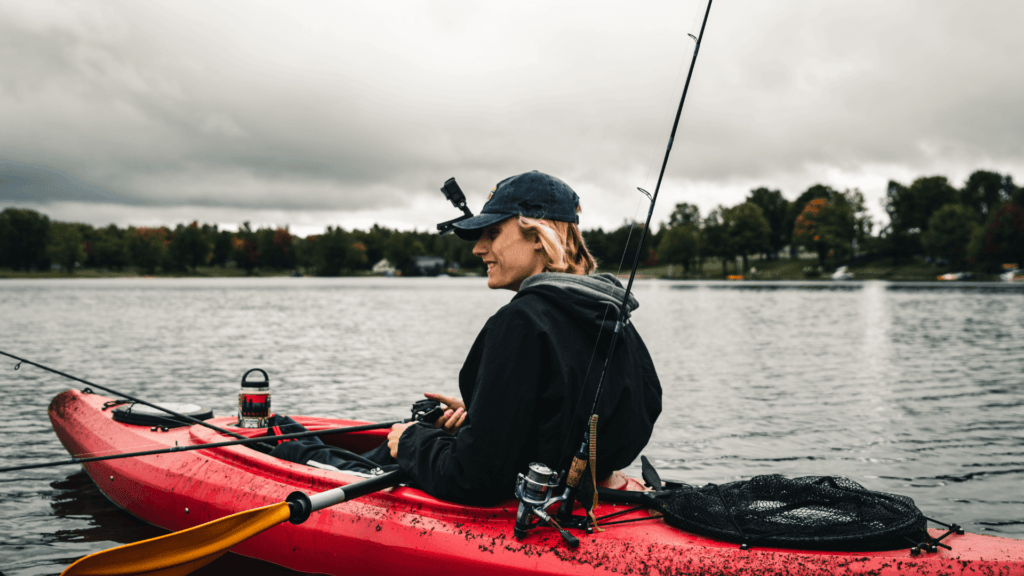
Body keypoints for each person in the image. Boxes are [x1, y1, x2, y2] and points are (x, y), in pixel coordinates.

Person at [386, 170, 662, 505]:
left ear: (536, 235)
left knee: (308, 448)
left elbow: (474, 478)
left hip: (538, 516)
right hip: (602, 498)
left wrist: (412, 442)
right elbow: (575, 412)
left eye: (493, 233)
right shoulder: (611, 313)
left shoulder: (520, 321)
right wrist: (483, 411)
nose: (478, 249)